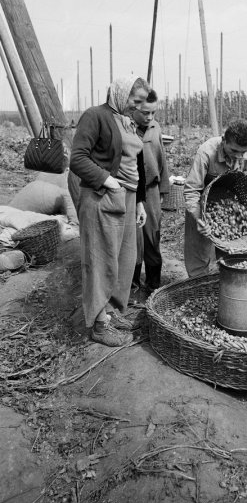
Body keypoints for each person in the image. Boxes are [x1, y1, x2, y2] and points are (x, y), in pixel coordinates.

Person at [70, 77, 149, 347]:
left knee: (124, 259)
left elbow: (135, 164)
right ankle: (99, 325)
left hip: (125, 198)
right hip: (102, 197)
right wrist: (108, 180)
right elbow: (77, 159)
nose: (136, 106)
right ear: (119, 94)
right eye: (134, 100)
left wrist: (138, 201)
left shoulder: (126, 120)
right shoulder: (96, 116)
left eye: (140, 102)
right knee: (101, 260)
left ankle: (112, 312)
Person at [183, 119, 247, 278]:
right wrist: (199, 218)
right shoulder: (206, 151)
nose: (240, 156)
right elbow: (192, 189)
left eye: (243, 152)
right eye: (234, 151)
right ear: (224, 140)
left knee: (231, 255)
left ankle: (227, 284)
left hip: (232, 203)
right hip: (201, 204)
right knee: (197, 253)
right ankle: (198, 285)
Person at [132, 89, 170, 294]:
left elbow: (161, 157)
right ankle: (132, 284)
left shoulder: (155, 127)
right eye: (145, 112)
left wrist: (164, 187)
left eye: (153, 113)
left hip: (151, 189)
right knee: (134, 238)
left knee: (153, 235)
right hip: (130, 191)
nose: (149, 117)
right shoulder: (126, 127)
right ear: (134, 108)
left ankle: (154, 283)